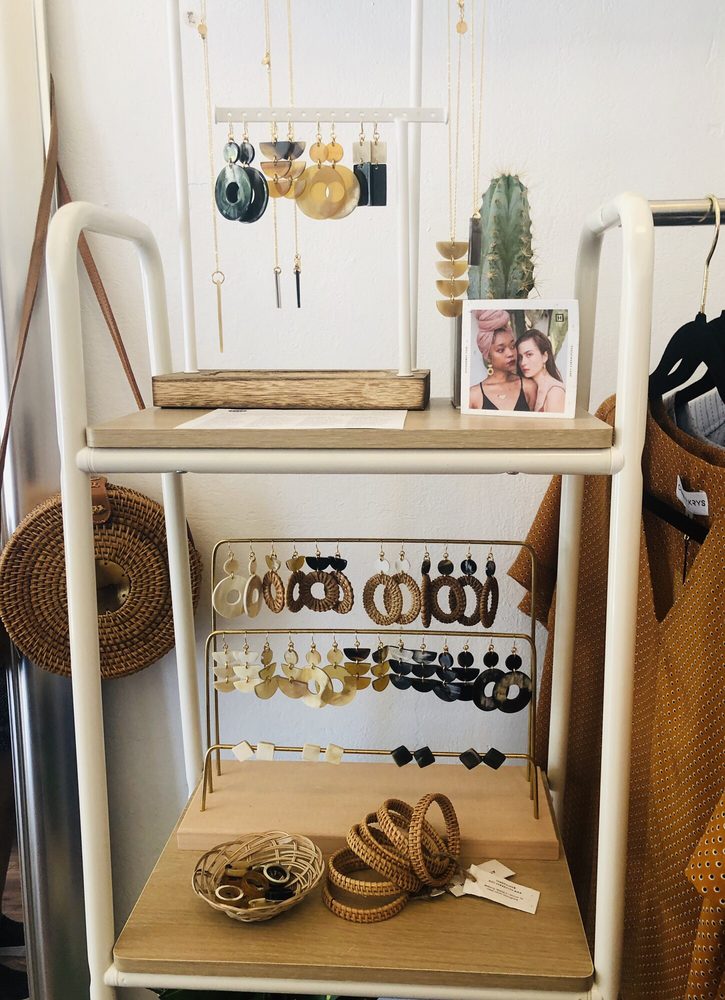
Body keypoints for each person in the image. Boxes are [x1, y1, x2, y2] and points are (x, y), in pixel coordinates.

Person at [468, 310, 536, 411]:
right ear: (488, 356)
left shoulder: (529, 387)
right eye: (501, 350)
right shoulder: (473, 395)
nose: (510, 353)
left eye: (512, 346)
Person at [517, 328, 566, 413]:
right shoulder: (532, 389)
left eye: (529, 354)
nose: (523, 363)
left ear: (545, 356)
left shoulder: (555, 392)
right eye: (520, 357)